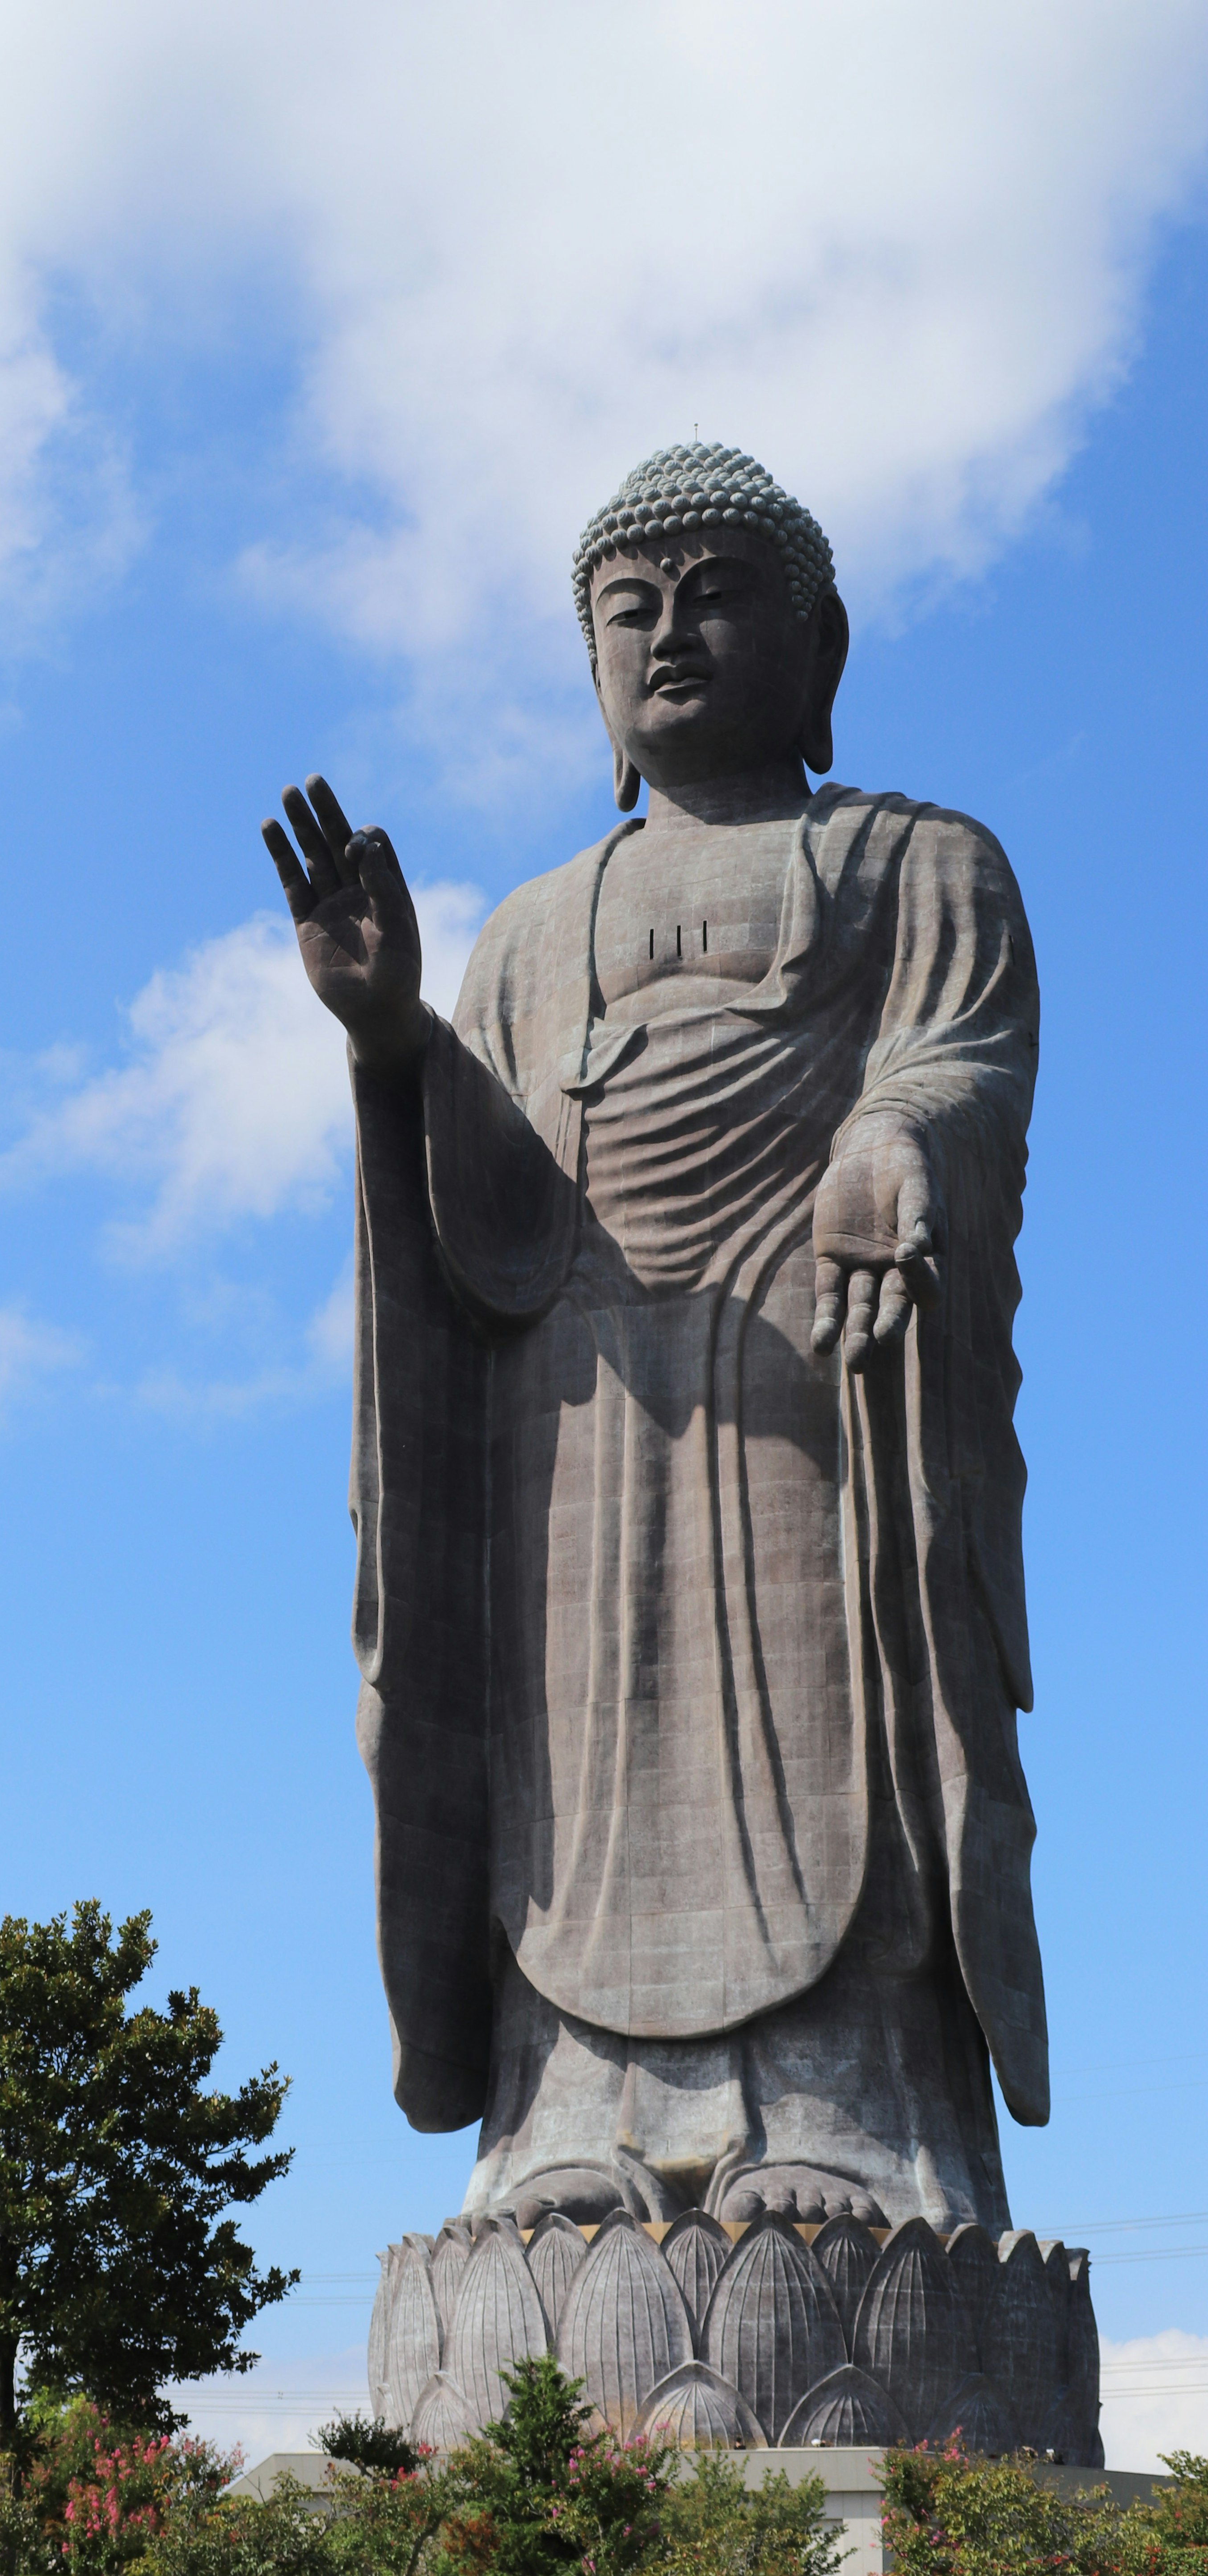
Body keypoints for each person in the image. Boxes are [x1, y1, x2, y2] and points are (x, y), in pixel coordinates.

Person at [261, 442, 1045, 2232]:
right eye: (632, 610)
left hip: (813, 1378)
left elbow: (961, 1055)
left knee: (830, 1720)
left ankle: (852, 2115)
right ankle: (564, 2125)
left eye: (716, 597)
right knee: (572, 1762)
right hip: (579, 1410)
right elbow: (491, 1205)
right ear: (592, 670)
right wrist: (390, 1037)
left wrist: (885, 1139)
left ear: (818, 643)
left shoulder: (919, 864)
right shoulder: (533, 931)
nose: (671, 634)